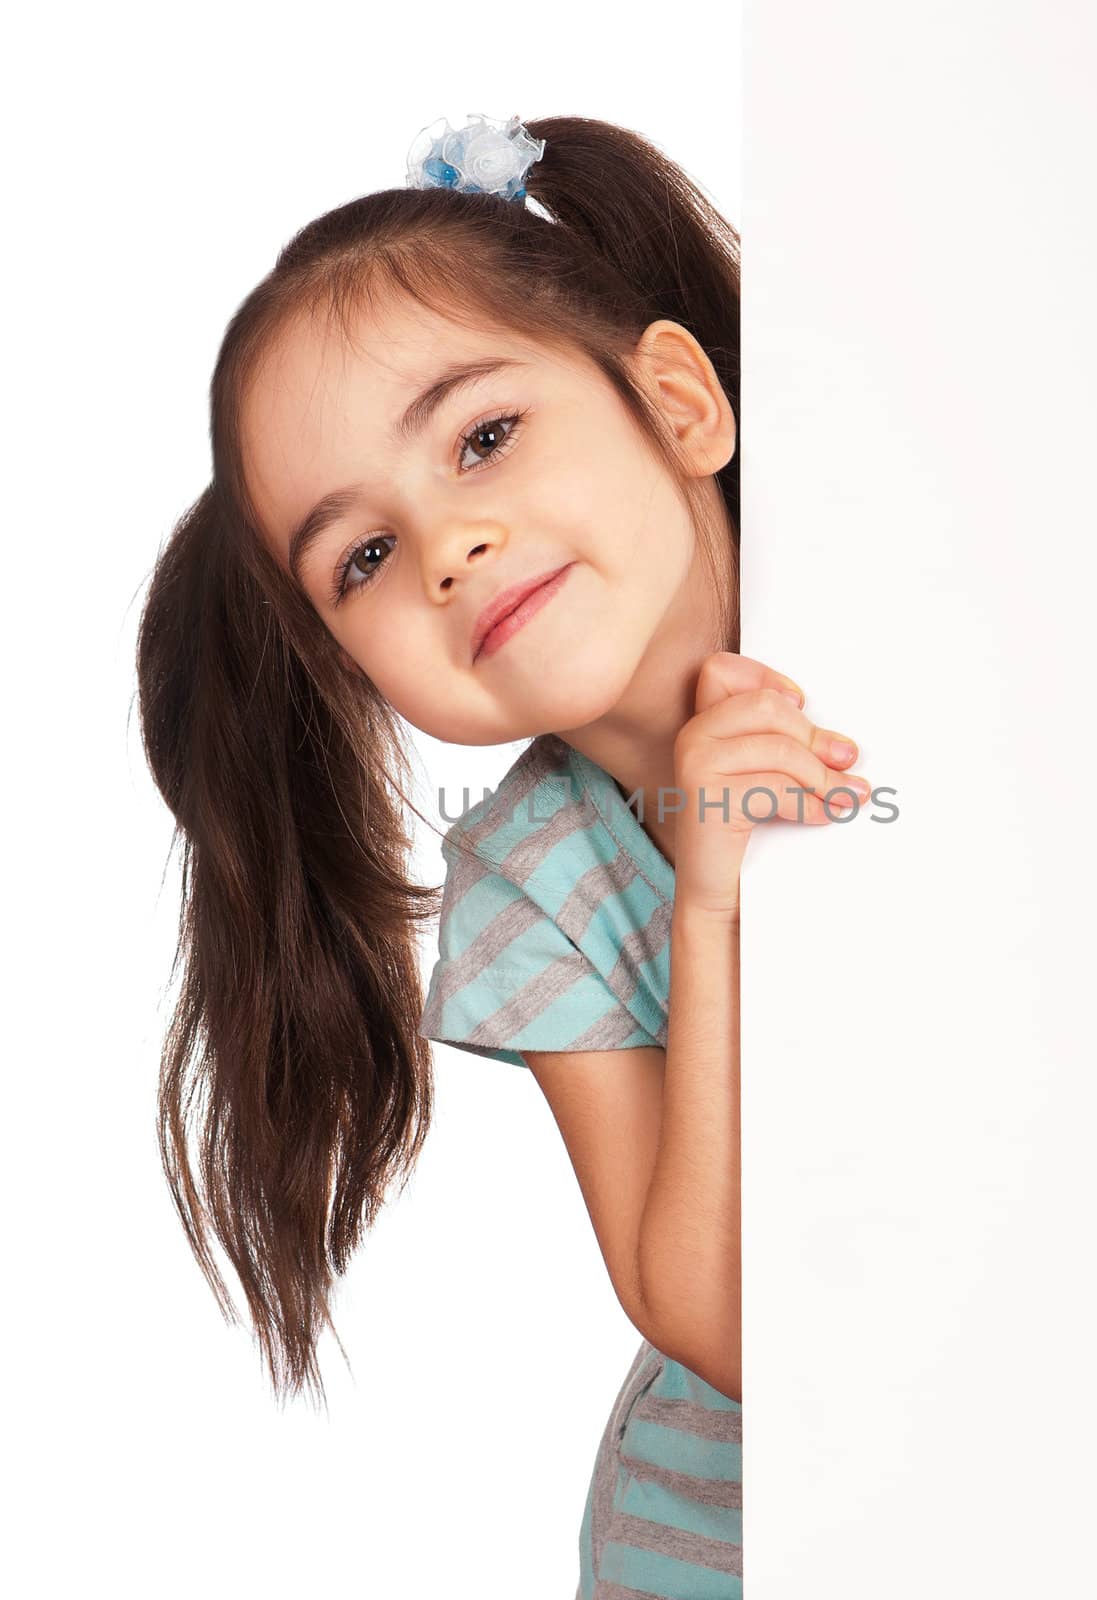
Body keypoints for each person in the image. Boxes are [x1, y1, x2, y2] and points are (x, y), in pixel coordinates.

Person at [134, 110, 871, 1599]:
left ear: (676, 401)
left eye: (482, 438)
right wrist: (715, 903)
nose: (448, 548)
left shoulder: (915, 599)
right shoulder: (531, 878)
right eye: (363, 559)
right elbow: (714, 1319)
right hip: (725, 1554)